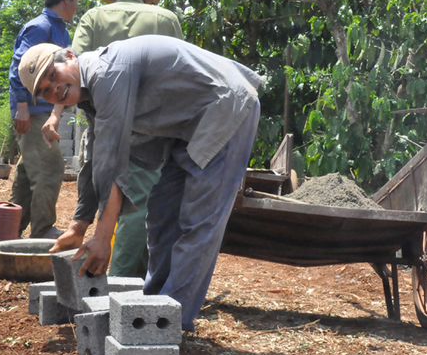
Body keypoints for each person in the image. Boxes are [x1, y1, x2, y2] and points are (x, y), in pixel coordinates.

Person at [19, 35, 261, 332]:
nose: (53, 88)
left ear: (69, 56)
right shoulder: (91, 95)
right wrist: (78, 227)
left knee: (198, 220)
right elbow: (96, 159)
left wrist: (103, 238)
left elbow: (113, 159)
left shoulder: (107, 72)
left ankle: (170, 322)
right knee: (162, 212)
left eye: (52, 75)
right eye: (44, 91)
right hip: (190, 127)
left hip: (225, 108)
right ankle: (154, 306)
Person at [52, 0, 183, 278]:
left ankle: (123, 282)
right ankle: (127, 280)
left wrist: (57, 113)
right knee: (141, 199)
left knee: (109, 185)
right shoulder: (166, 18)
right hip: (152, 122)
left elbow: (72, 69)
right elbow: (180, 69)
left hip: (103, 114)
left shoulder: (94, 17)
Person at [8, 0, 81, 239]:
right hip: (33, 111)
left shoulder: (59, 28)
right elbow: (20, 67)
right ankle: (42, 230)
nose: (76, 6)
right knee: (50, 167)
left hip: (43, 110)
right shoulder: (40, 27)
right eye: (75, 0)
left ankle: (8, 229)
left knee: (29, 173)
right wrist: (22, 107)